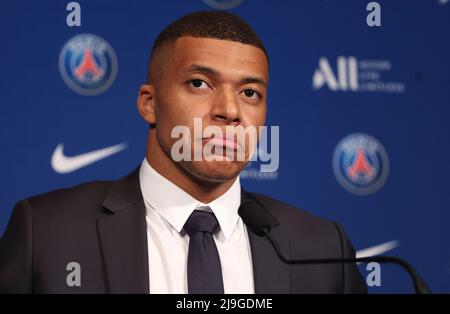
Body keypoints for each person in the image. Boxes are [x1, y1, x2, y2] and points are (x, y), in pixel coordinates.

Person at [0, 11, 367, 294]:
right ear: (149, 104)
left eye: (250, 92)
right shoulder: (47, 232)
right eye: (200, 83)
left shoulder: (321, 248)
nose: (229, 110)